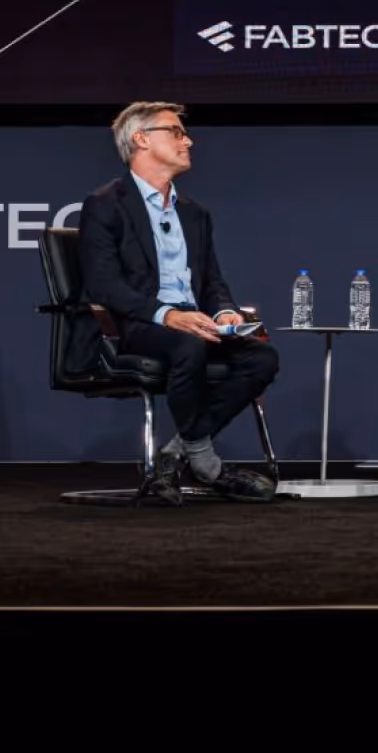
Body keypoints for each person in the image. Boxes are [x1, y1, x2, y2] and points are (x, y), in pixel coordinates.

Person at [78, 102, 279, 504]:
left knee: (261, 358)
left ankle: (172, 456)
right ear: (141, 139)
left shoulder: (194, 214)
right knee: (188, 343)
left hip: (196, 321)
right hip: (140, 324)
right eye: (176, 131)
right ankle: (206, 463)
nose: (188, 140)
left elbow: (211, 281)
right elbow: (103, 285)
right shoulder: (105, 204)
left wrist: (224, 310)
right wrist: (168, 315)